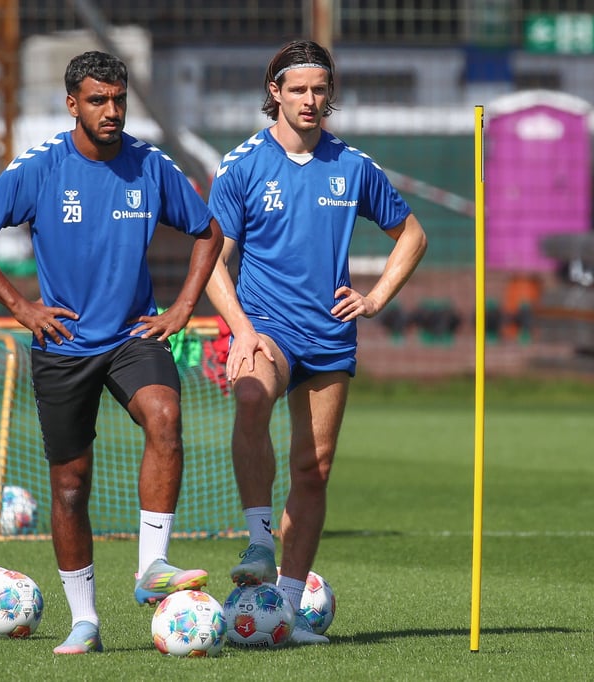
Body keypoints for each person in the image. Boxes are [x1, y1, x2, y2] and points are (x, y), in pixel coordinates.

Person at [0, 50, 223, 655]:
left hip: (132, 335)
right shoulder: (42, 167)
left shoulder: (150, 165)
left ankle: (152, 566)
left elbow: (209, 232)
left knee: (166, 416)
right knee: (71, 488)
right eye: (98, 100)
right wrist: (22, 308)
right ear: (72, 103)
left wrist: (181, 308)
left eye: (119, 99)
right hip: (63, 343)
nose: (112, 110)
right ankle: (85, 621)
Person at [205, 39, 428, 645]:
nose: (310, 100)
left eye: (320, 89)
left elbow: (411, 233)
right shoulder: (242, 165)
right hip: (266, 328)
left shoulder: (352, 166)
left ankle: (286, 609)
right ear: (273, 92)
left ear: (331, 95)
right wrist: (241, 329)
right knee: (252, 398)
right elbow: (213, 263)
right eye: (298, 89)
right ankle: (257, 539)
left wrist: (376, 297)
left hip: (330, 336)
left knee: (315, 469)